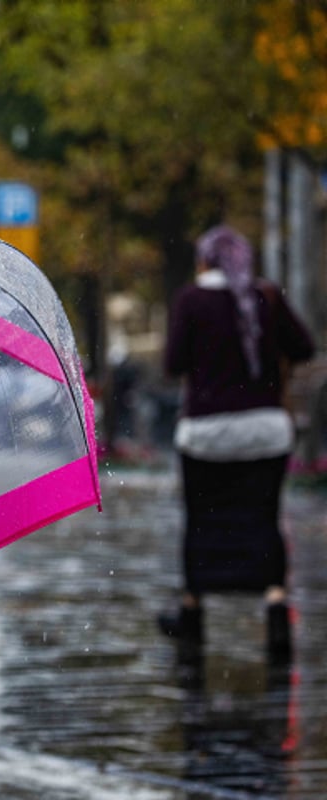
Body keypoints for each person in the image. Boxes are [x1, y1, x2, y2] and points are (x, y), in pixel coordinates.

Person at [159, 224, 314, 659]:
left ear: (205, 261)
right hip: (265, 431)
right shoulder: (266, 297)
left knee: (201, 518)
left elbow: (174, 363)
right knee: (265, 517)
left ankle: (192, 609)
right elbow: (303, 347)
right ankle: (276, 605)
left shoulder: (191, 300)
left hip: (206, 434)